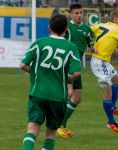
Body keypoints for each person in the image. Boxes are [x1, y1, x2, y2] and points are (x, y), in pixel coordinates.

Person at [20, 14, 81, 150]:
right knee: (50, 135)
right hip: (58, 97)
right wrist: (67, 78)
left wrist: (35, 72)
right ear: (66, 29)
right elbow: (76, 73)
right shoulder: (71, 47)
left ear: (49, 27)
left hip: (38, 93)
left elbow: (22, 65)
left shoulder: (39, 43)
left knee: (32, 130)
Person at [57, 3, 94, 139]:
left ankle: (62, 125)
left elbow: (91, 47)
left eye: (81, 13)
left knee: (77, 98)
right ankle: (57, 124)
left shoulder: (87, 29)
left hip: (75, 67)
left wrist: (98, 50)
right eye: (76, 13)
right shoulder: (67, 28)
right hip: (66, 64)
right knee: (70, 93)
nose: (79, 15)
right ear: (71, 15)